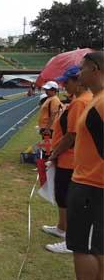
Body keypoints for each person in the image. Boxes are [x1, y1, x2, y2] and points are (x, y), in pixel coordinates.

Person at [43, 65, 93, 254]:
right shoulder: (81, 100)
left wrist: (54, 153)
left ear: (78, 82)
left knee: (69, 199)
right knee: (63, 196)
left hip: (70, 158)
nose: (64, 85)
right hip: (71, 157)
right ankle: (62, 228)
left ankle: (70, 239)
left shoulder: (80, 103)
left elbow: (72, 135)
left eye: (67, 82)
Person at [65, 51, 103, 280]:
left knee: (84, 247)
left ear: (95, 69)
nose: (79, 73)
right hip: (92, 183)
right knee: (96, 245)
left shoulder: (100, 103)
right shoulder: (96, 99)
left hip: (92, 186)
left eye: (83, 67)